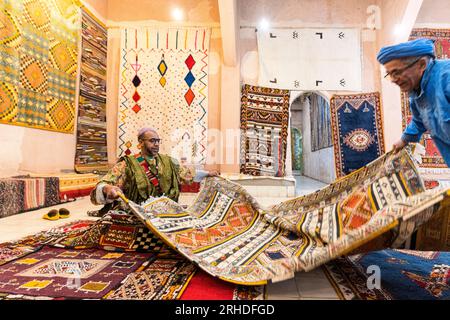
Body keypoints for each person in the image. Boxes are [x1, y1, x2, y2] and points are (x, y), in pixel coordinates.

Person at [90, 127, 218, 214]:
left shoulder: (169, 161)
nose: (156, 144)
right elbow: (106, 182)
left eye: (158, 141)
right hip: (139, 214)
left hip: (166, 213)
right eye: (152, 141)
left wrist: (207, 174)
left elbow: (187, 174)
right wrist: (107, 189)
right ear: (140, 143)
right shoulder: (127, 163)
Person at [377, 38, 450, 166]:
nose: (393, 80)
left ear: (422, 64)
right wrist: (404, 140)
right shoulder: (416, 93)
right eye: (389, 74)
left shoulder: (446, 78)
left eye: (396, 72)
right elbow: (419, 121)